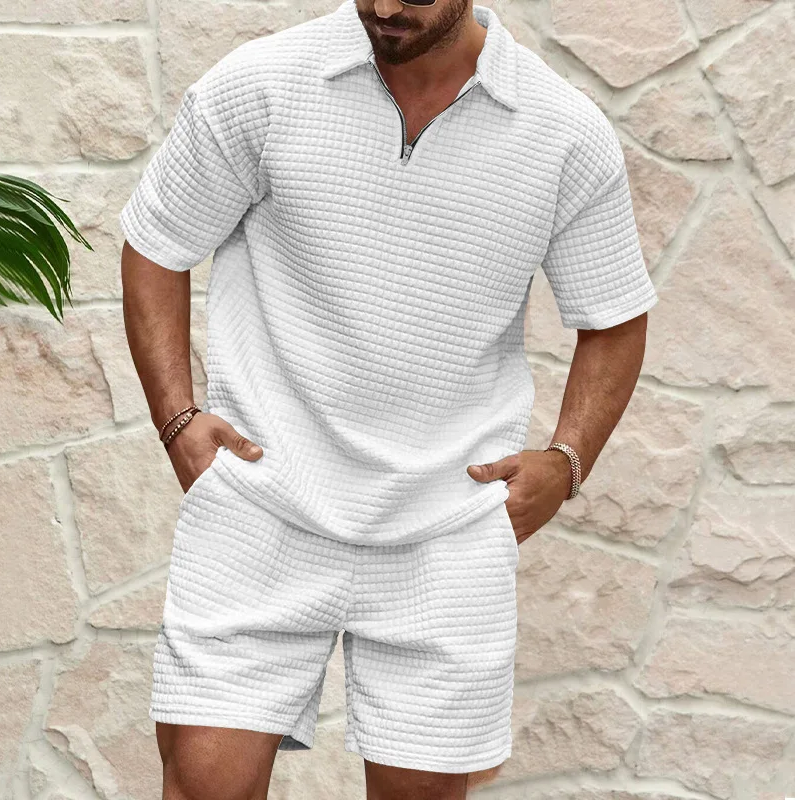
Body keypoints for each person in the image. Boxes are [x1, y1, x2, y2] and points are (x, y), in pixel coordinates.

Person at [119, 0, 658, 796]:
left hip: (447, 527)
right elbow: (156, 243)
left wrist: (567, 459)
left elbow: (614, 317)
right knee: (205, 784)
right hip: (262, 504)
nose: (386, 6)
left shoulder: (563, 130)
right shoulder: (258, 86)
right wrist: (178, 421)